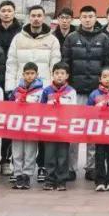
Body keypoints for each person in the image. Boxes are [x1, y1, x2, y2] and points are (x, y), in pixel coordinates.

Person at [62, 4, 107, 180]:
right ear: (79, 19)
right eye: (85, 17)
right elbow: (65, 63)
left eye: (91, 16)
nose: (88, 19)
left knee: (93, 130)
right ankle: (71, 168)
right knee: (74, 130)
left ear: (96, 18)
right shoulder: (71, 38)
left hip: (97, 92)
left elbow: (107, 64)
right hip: (76, 91)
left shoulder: (103, 38)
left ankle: (91, 167)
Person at [5, 5, 62, 98]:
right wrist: (10, 88)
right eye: (33, 16)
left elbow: (55, 67)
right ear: (29, 17)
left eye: (39, 16)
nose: (36, 18)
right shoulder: (18, 38)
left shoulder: (53, 40)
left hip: (44, 89)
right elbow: (11, 65)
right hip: (21, 88)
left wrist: (53, 88)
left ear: (43, 18)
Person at [0, 0, 22, 177]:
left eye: (9, 10)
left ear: (14, 12)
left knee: (9, 124)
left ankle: (6, 160)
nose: (6, 13)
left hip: (13, 81)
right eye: (3, 10)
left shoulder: (21, 31)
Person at [41, 62, 77, 191]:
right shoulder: (47, 90)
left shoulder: (71, 91)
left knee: (63, 155)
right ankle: (49, 180)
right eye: (57, 73)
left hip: (63, 128)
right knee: (49, 155)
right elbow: (41, 108)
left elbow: (73, 110)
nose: (59, 76)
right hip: (50, 128)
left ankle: (61, 180)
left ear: (67, 76)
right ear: (52, 75)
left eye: (62, 73)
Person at [9, 62, 45, 190]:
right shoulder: (16, 91)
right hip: (17, 126)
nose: (29, 76)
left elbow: (44, 108)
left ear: (37, 74)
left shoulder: (41, 91)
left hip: (31, 126)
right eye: (27, 73)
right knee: (17, 152)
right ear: (23, 74)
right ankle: (18, 174)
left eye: (32, 73)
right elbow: (9, 106)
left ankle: (27, 175)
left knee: (30, 151)